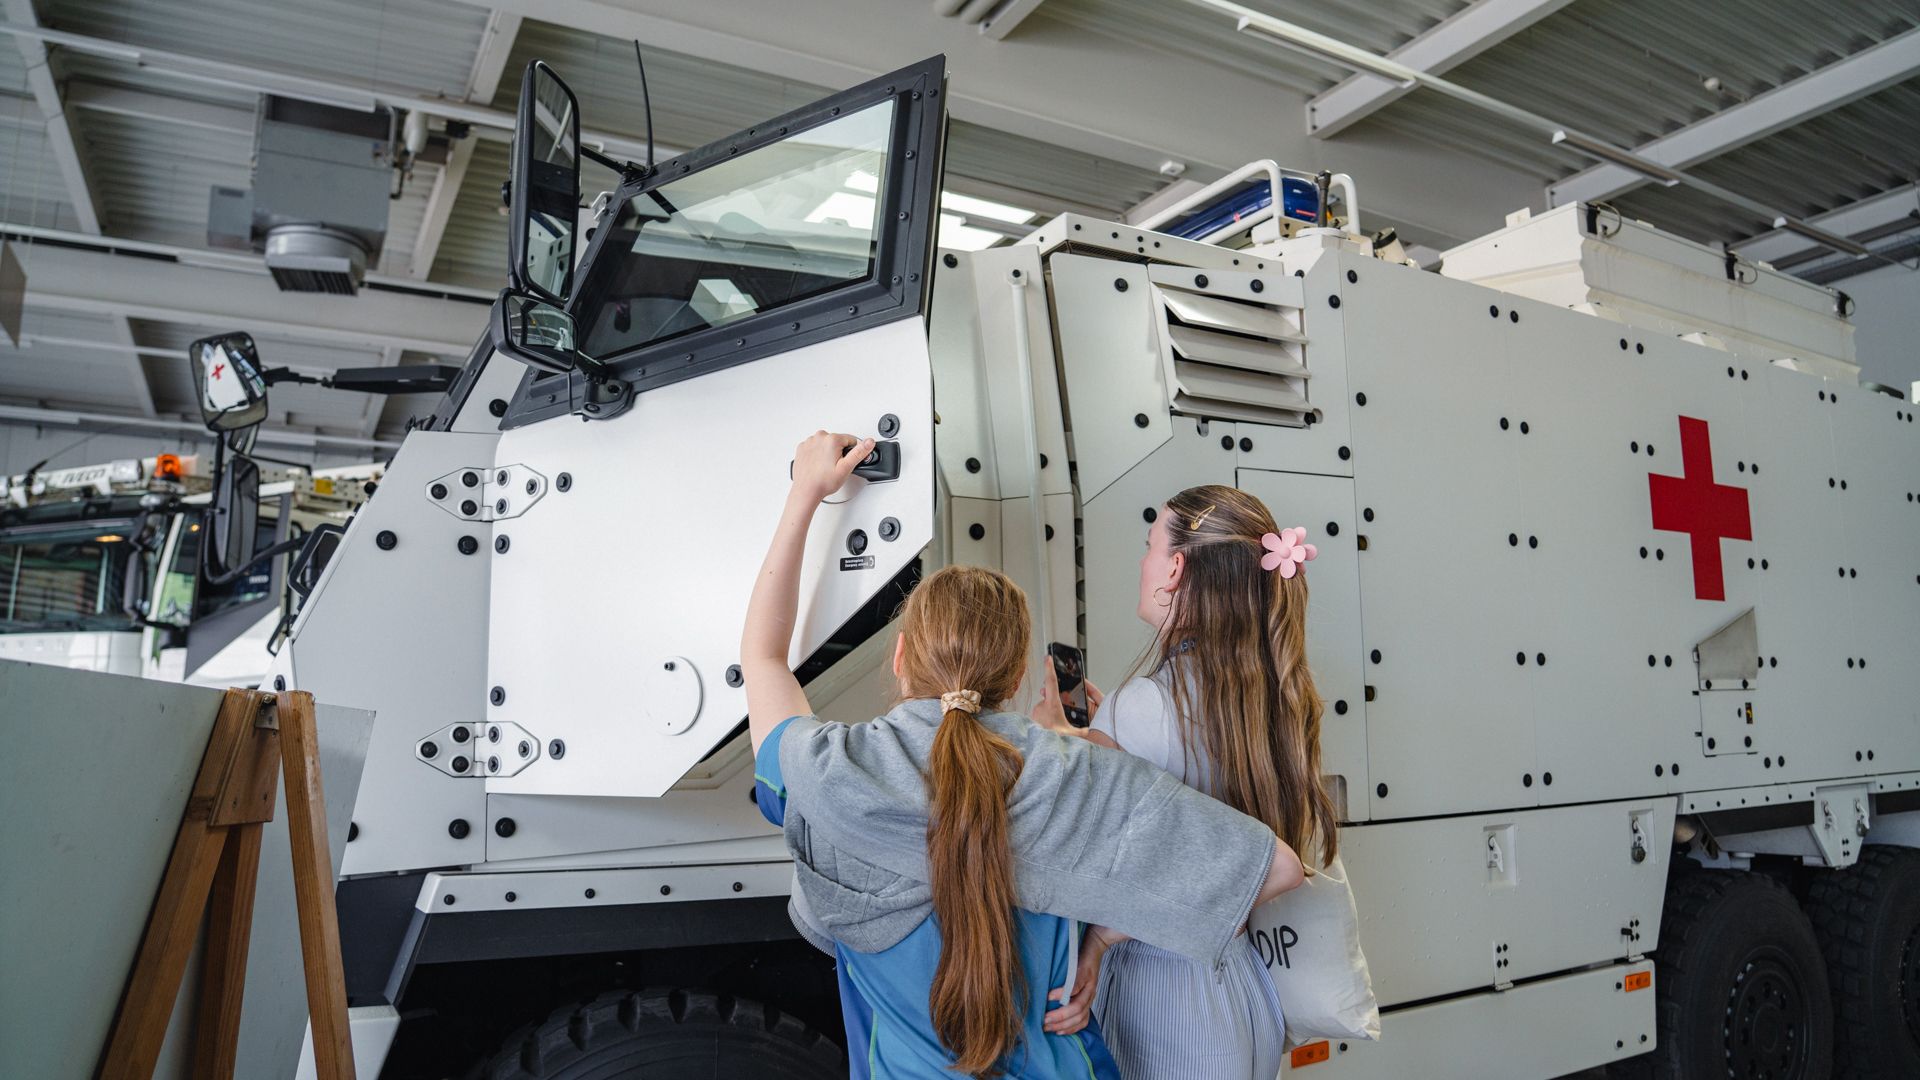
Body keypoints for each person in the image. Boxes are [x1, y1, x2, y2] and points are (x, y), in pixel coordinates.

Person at [740, 432, 1307, 1079]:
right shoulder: (1078, 776)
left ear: (900, 658)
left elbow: (762, 659)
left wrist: (807, 493)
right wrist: (1099, 939)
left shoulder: (824, 769)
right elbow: (1278, 868)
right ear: (1014, 679)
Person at [1037, 484, 1341, 1080]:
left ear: (1176, 568)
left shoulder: (1139, 706)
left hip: (1162, 999)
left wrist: (1062, 747)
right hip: (1245, 991)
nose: (1143, 562)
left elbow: (1101, 862)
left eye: (1150, 546)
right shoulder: (1272, 701)